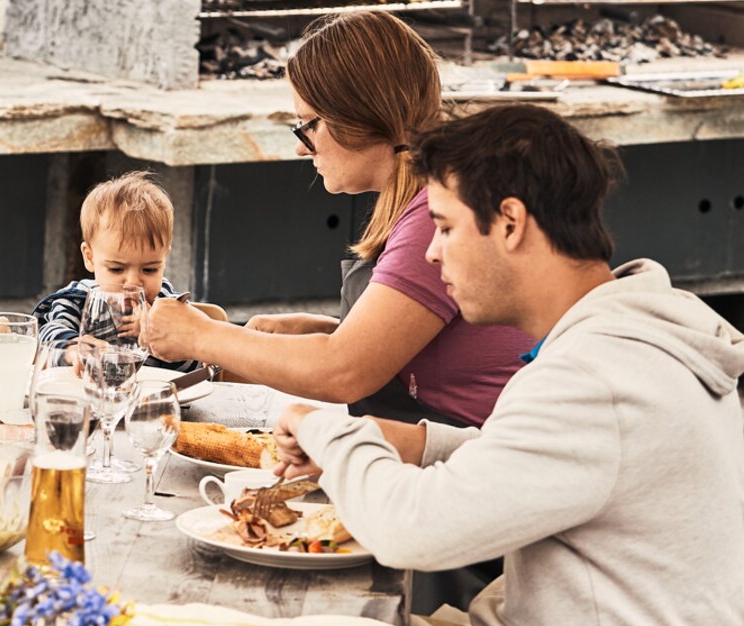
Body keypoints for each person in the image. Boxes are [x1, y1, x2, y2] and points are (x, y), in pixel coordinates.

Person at [272, 104, 744, 626]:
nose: (433, 255)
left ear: (511, 223)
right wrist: (413, 443)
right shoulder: (628, 339)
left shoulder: (596, 377)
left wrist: (324, 428)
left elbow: (412, 530)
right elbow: (566, 464)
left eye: (444, 227)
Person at [143, 11, 533, 430]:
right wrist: (333, 331)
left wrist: (202, 336)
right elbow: (427, 349)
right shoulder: (427, 191)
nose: (301, 147)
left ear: (358, 115)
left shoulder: (436, 213)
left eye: (307, 124)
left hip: (472, 461)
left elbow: (344, 372)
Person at [33, 171, 223, 369]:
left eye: (149, 269)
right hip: (87, 397)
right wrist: (73, 350)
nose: (133, 282)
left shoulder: (168, 307)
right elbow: (46, 340)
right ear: (89, 257)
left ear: (164, 259)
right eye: (116, 269)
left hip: (152, 399)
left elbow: (193, 369)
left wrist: (160, 338)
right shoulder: (77, 301)